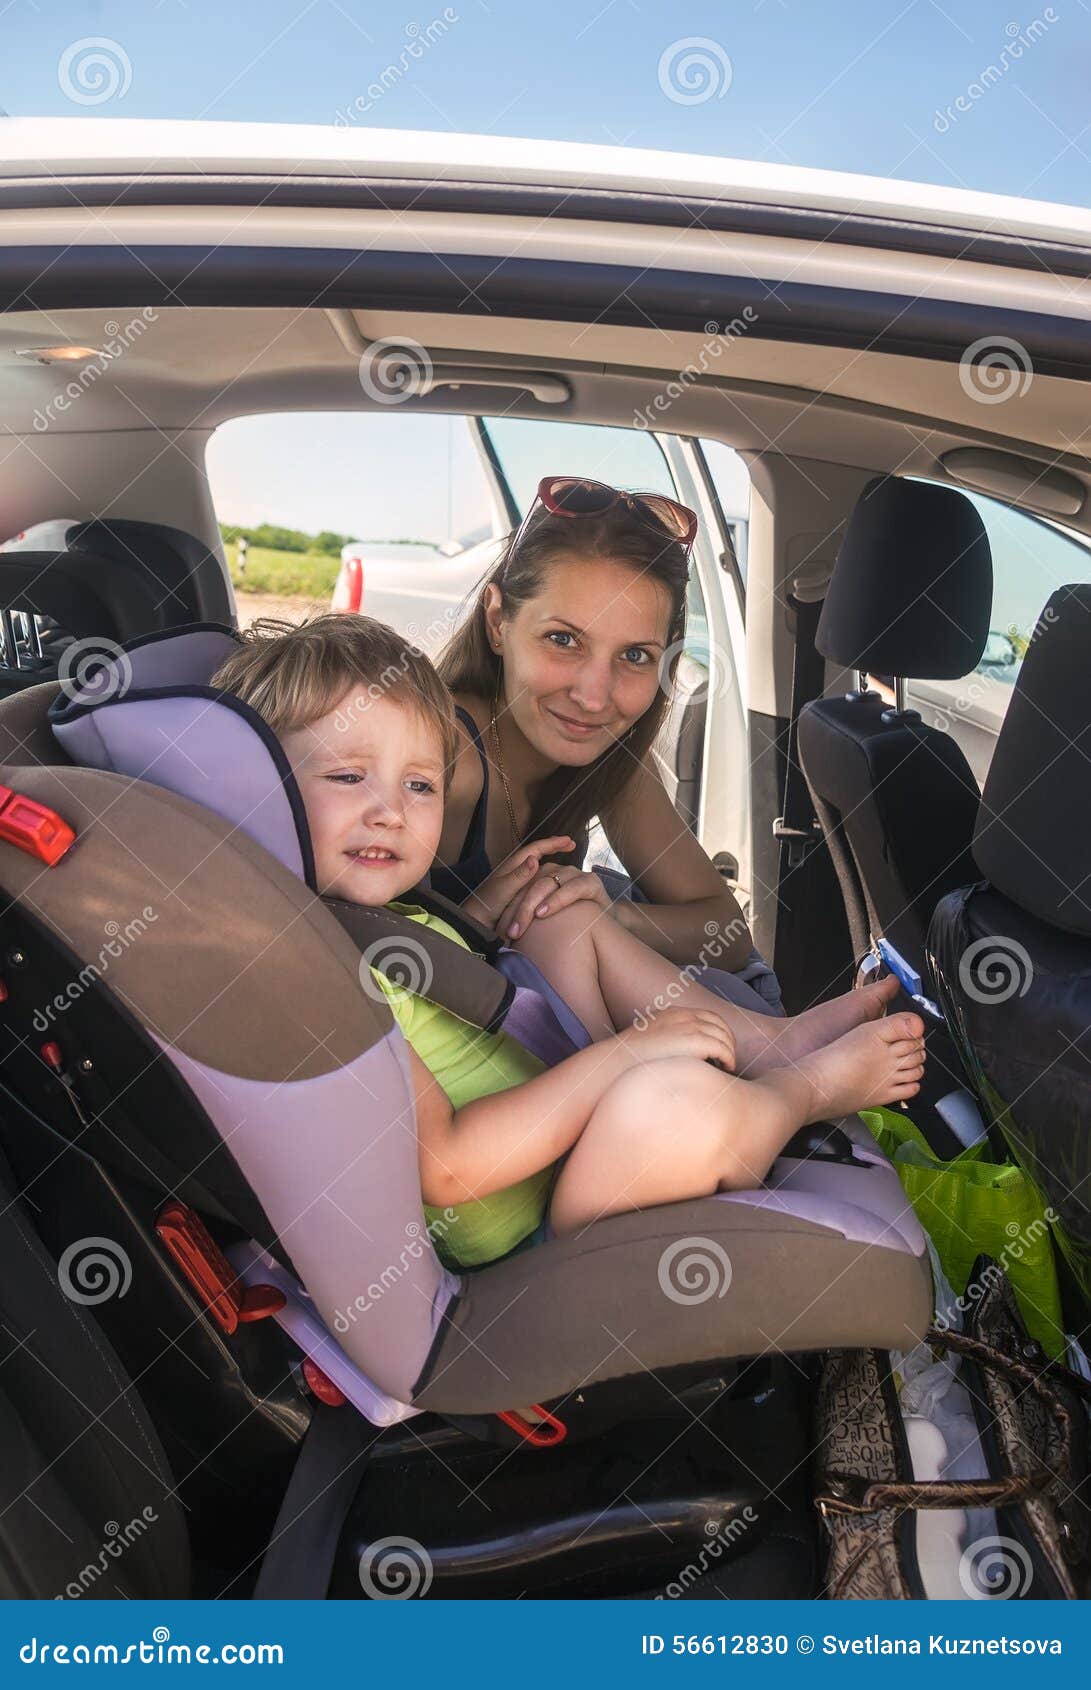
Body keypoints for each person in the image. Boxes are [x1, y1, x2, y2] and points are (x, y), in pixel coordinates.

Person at [211, 615, 925, 1269]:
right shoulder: (310, 974)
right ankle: (803, 1089)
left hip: (554, 1130)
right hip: (528, 1228)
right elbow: (449, 1168)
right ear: (254, 788)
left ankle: (770, 1042)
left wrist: (481, 919)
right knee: (673, 1106)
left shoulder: (346, 911)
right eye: (345, 775)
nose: (390, 813)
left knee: (553, 910)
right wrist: (626, 1055)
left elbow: (431, 997)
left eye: (421, 786)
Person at [433, 477, 760, 981]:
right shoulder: (438, 750)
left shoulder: (613, 759)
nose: (592, 696)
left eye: (634, 655)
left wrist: (607, 912)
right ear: (498, 622)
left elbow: (729, 935)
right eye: (563, 640)